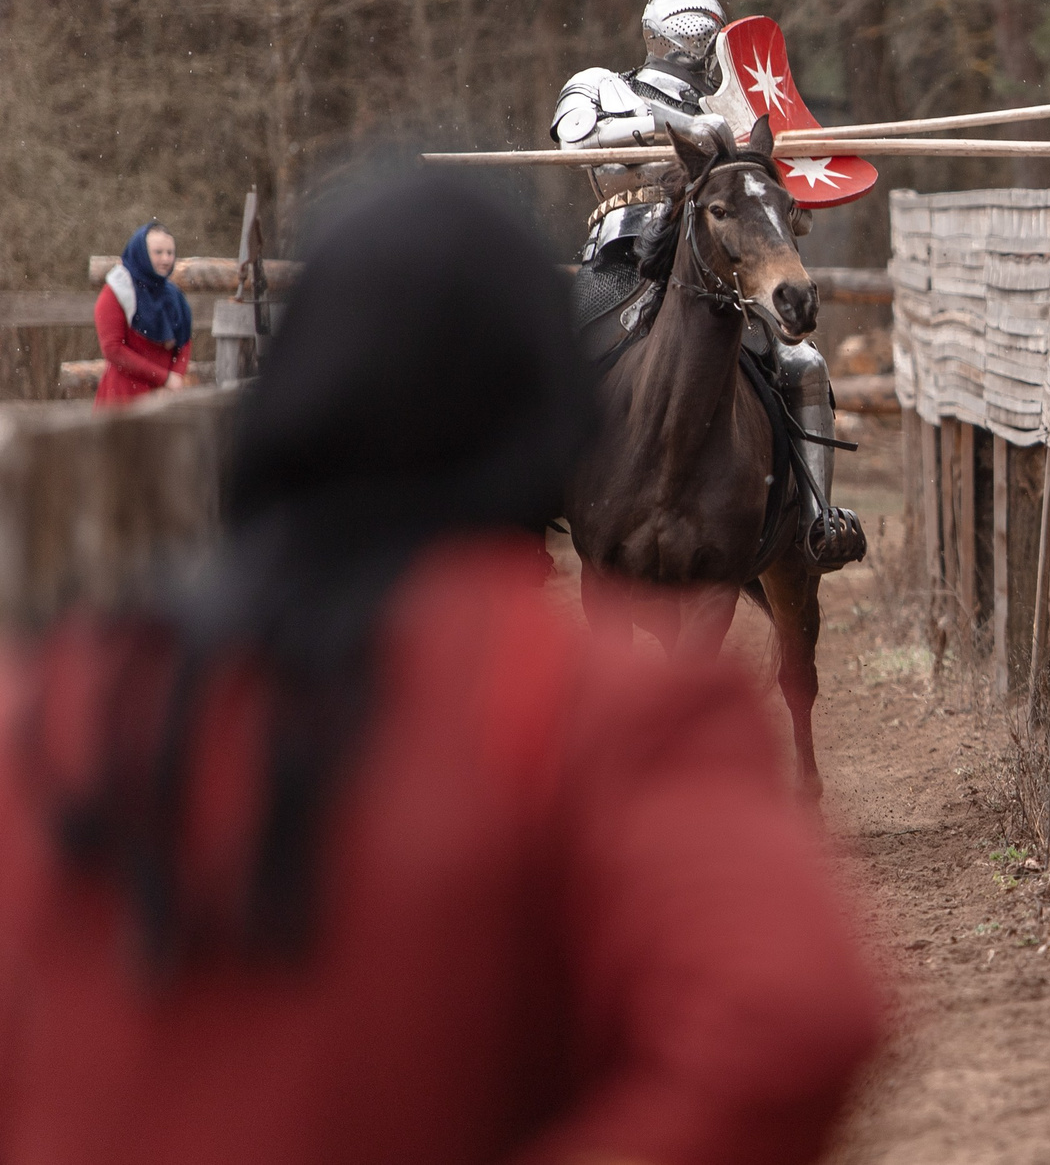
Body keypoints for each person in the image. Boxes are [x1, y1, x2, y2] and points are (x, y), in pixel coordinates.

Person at [0, 175, 887, 1165]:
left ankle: (810, 506)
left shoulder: (61, 699)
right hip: (626, 283)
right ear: (537, 415)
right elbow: (798, 1019)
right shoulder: (607, 712)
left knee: (791, 375)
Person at [553, 0, 861, 570]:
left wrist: (782, 200)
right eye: (686, 32)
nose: (690, 45)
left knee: (802, 363)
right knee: (545, 354)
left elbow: (787, 217)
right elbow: (577, 134)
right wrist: (679, 127)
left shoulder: (739, 109)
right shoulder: (602, 86)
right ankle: (516, 518)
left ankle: (818, 517)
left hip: (715, 265)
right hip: (624, 258)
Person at [93, 220, 192, 408]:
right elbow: (113, 349)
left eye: (170, 253)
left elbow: (184, 341)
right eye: (158, 252)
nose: (165, 259)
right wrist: (164, 377)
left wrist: (175, 378)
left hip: (164, 399)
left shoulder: (173, 295)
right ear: (142, 253)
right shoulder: (116, 292)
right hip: (124, 397)